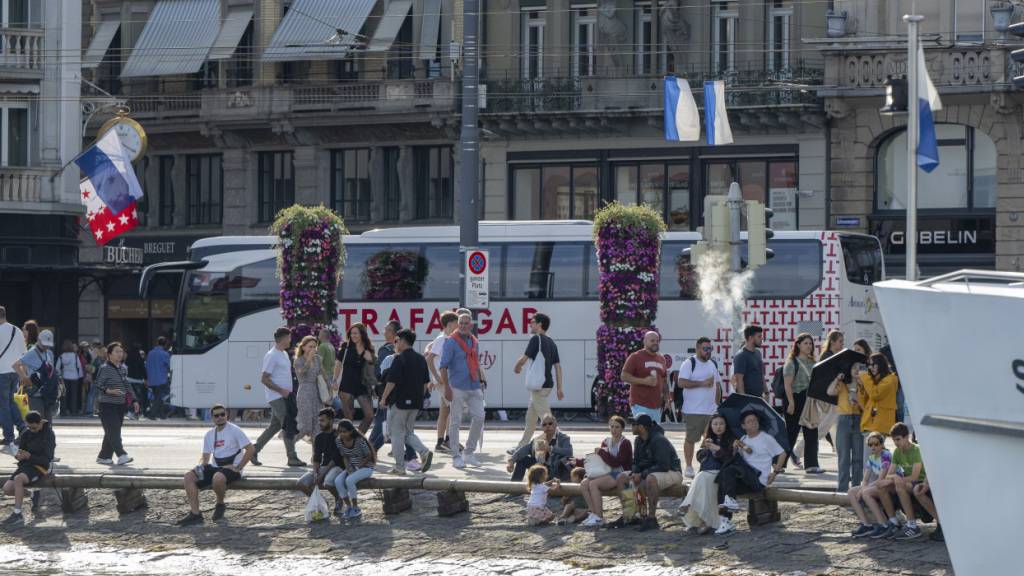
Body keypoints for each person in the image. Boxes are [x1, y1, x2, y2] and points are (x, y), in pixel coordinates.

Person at [177, 404, 254, 525]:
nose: (220, 417)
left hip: (232, 468)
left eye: (222, 414)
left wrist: (239, 467)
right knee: (188, 476)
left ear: (227, 415)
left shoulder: (235, 430)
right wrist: (200, 468)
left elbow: (251, 449)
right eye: (216, 415)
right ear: (212, 418)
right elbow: (206, 458)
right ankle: (195, 514)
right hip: (216, 467)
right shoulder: (209, 434)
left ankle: (220, 504)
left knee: (217, 477)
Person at [715, 411, 786, 535]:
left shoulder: (766, 438)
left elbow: (782, 453)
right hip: (746, 478)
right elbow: (739, 460)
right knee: (721, 481)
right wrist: (735, 448)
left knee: (729, 471)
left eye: (755, 421)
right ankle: (725, 521)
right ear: (743, 426)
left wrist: (775, 473)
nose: (753, 423)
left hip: (757, 480)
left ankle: (730, 502)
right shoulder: (743, 439)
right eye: (749, 421)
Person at [380, 329, 434, 475]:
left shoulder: (399, 358)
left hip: (399, 402)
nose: (395, 344)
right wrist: (420, 398)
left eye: (397, 341)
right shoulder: (421, 359)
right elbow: (425, 383)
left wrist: (384, 398)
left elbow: (392, 381)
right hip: (415, 403)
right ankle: (424, 452)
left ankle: (399, 467)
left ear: (403, 341)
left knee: (396, 433)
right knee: (408, 432)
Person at [251, 327, 304, 468]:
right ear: (283, 338)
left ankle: (254, 450)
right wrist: (281, 391)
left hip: (285, 396)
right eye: (289, 337)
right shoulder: (272, 355)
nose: (290, 340)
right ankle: (292, 457)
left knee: (274, 426)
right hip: (277, 397)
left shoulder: (284, 354)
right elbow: (264, 379)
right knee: (288, 425)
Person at [439, 313, 486, 469]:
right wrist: (446, 387)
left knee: (480, 417)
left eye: (466, 323)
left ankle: (469, 453)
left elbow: (476, 362)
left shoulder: (474, 341)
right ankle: (456, 456)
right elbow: (443, 367)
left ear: (471, 326)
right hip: (457, 386)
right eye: (461, 323)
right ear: (458, 324)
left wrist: (481, 379)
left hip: (473, 385)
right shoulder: (451, 342)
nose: (463, 326)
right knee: (455, 421)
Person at [512, 312, 563, 449]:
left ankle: (561, 443)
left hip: (539, 387)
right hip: (547, 385)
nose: (530, 323)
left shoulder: (536, 339)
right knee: (531, 420)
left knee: (547, 420)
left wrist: (517, 367)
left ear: (539, 324)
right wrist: (559, 388)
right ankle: (521, 447)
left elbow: (524, 358)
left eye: (533, 321)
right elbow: (558, 367)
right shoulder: (552, 342)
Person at [627, 413, 683, 532]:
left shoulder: (658, 440)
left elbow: (664, 465)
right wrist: (635, 473)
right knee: (635, 480)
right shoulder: (638, 440)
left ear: (641, 427)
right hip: (655, 472)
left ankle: (652, 519)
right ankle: (642, 516)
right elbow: (636, 462)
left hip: (673, 472)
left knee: (650, 478)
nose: (631, 427)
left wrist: (642, 474)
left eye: (634, 424)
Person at [681, 414, 735, 534]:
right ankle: (699, 518)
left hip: (722, 473)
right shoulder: (709, 439)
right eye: (715, 424)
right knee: (701, 478)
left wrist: (717, 449)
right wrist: (706, 449)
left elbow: (730, 459)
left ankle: (695, 511)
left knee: (702, 479)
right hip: (707, 472)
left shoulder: (731, 440)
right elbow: (701, 458)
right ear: (711, 426)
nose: (718, 427)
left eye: (721, 424)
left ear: (726, 425)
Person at [829, 338, 872, 492]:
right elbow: (830, 392)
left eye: (858, 367)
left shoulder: (865, 382)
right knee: (843, 458)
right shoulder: (843, 382)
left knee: (858, 458)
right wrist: (837, 379)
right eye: (853, 367)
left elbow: (869, 402)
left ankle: (855, 490)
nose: (855, 370)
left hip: (860, 419)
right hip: (844, 418)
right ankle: (841, 490)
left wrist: (862, 385)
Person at [677, 337, 722, 478]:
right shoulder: (689, 363)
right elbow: (681, 382)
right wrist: (702, 383)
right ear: (697, 349)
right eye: (705, 349)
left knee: (710, 439)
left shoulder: (712, 364)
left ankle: (707, 464)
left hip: (711, 410)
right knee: (691, 439)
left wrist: (718, 404)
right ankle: (689, 466)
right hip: (694, 410)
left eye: (710, 349)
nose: (708, 352)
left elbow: (718, 385)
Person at [1, 411, 54, 526]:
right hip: (26, 465)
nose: (31, 430)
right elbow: (21, 449)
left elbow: (47, 459)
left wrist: (29, 456)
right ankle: (32, 494)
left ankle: (17, 513)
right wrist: (18, 455)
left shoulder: (48, 434)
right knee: (7, 489)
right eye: (29, 427)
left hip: (41, 467)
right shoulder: (26, 433)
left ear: (40, 423)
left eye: (34, 427)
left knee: (18, 479)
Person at [579, 415, 633, 527]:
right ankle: (593, 513)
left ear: (622, 429)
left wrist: (602, 453)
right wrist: (578, 462)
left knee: (594, 484)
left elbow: (617, 462)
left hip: (620, 473)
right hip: (606, 472)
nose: (614, 430)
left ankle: (599, 517)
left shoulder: (625, 443)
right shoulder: (606, 441)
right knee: (584, 484)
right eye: (612, 427)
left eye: (617, 427)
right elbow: (601, 461)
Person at [782, 333, 822, 474]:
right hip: (795, 398)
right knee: (791, 433)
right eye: (805, 343)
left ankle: (811, 465)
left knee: (811, 432)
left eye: (810, 343)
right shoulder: (791, 362)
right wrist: (791, 403)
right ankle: (779, 463)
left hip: (809, 399)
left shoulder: (813, 363)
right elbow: (787, 385)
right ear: (798, 345)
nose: (809, 346)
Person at [95, 341, 138, 466]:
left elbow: (127, 385)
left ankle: (104, 457)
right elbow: (97, 384)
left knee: (112, 431)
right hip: (107, 405)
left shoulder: (122, 368)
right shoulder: (105, 368)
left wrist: (134, 400)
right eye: (116, 352)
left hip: (120, 405)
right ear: (109, 355)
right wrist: (108, 391)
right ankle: (122, 455)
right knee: (114, 431)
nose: (120, 354)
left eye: (121, 352)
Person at [296, 407, 344, 513]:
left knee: (327, 482)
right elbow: (316, 457)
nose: (320, 423)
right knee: (300, 484)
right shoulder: (319, 437)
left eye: (323, 420)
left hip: (336, 466)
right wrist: (316, 472)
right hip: (323, 467)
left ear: (331, 421)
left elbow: (336, 458)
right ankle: (322, 502)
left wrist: (321, 475)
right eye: (319, 420)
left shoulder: (338, 436)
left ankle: (339, 499)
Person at [425, 311, 459, 453]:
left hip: (446, 381)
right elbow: (429, 358)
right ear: (450, 324)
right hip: (444, 382)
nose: (458, 326)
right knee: (454, 410)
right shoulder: (442, 339)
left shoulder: (447, 338)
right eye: (456, 323)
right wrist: (437, 378)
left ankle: (441, 442)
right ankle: (448, 440)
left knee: (445, 412)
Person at [848, 431, 892, 538]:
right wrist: (862, 488)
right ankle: (866, 524)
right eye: (870, 444)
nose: (873, 447)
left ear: (882, 445)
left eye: (876, 444)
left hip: (890, 485)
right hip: (880, 485)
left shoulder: (886, 455)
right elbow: (866, 479)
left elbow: (881, 479)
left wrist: (863, 490)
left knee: (866, 493)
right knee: (851, 491)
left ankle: (884, 524)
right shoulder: (872, 458)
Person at [333, 323, 376, 435]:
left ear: (362, 334)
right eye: (351, 333)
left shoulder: (369, 349)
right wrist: (334, 380)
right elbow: (338, 364)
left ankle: (357, 438)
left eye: (356, 333)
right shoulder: (346, 347)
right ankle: (344, 443)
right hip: (346, 385)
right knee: (349, 418)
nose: (353, 336)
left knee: (369, 415)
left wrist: (370, 360)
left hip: (362, 385)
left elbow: (373, 368)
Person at [889, 422, 927, 540]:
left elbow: (915, 477)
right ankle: (890, 523)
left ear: (907, 437)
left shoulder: (916, 450)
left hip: (922, 482)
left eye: (898, 439)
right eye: (894, 440)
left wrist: (897, 478)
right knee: (884, 486)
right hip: (908, 482)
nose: (896, 443)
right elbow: (889, 474)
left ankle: (912, 526)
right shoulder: (897, 452)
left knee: (900, 486)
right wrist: (894, 477)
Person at [507, 413, 573, 481]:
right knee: (522, 460)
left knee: (565, 462)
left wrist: (550, 449)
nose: (547, 426)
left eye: (550, 423)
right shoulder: (539, 439)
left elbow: (569, 452)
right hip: (542, 467)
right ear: (542, 428)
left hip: (555, 469)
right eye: (544, 425)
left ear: (555, 425)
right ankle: (514, 486)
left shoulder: (563, 438)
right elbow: (524, 450)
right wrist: (511, 461)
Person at [12, 329, 60, 423]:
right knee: (37, 422)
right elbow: (15, 365)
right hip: (35, 394)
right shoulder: (32, 352)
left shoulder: (47, 353)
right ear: (39, 340)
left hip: (46, 393)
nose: (46, 347)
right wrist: (24, 377)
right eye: (44, 344)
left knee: (47, 422)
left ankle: (46, 437)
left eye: (48, 345)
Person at [333, 418, 376, 519]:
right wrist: (348, 468)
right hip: (351, 467)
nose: (342, 434)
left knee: (349, 480)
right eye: (340, 431)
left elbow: (369, 455)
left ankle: (356, 507)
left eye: (344, 432)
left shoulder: (359, 441)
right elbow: (344, 456)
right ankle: (348, 507)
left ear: (351, 431)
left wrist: (360, 466)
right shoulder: (338, 441)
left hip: (366, 467)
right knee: (338, 481)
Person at [620, 331, 668, 421]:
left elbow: (664, 380)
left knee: (655, 434)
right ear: (645, 341)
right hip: (640, 404)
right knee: (644, 433)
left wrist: (666, 398)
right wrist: (644, 381)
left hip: (657, 406)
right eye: (652, 341)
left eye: (657, 341)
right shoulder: (635, 357)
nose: (655, 343)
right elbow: (624, 376)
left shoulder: (661, 359)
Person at [369, 320, 401, 452]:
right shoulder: (401, 348)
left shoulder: (385, 349)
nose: (384, 332)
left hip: (386, 391)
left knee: (381, 420)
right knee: (395, 422)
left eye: (387, 330)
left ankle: (370, 448)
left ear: (393, 334)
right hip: (398, 391)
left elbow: (381, 373)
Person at [0, 306, 28, 450]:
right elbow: (24, 352)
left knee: (3, 405)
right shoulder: (16, 330)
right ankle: (22, 427)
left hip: (1, 372)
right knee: (10, 402)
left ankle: (9, 436)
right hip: (14, 371)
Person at [859, 353, 898, 450]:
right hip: (870, 424)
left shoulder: (890, 379)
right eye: (869, 365)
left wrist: (865, 378)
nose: (870, 367)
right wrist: (861, 386)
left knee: (871, 461)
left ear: (881, 364)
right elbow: (864, 402)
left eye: (873, 364)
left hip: (878, 425)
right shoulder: (874, 381)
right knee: (872, 460)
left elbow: (875, 394)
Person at [294, 335, 329, 441]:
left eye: (315, 347)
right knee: (305, 427)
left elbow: (323, 374)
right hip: (305, 392)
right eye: (310, 347)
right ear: (303, 347)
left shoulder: (318, 359)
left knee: (317, 427)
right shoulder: (298, 361)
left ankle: (315, 456)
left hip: (317, 393)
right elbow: (302, 373)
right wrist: (309, 359)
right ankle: (290, 444)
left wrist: (330, 386)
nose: (313, 349)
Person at [731, 325, 766, 399]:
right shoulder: (741, 356)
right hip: (749, 400)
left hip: (759, 398)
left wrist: (766, 392)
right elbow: (739, 381)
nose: (762, 339)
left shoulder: (758, 353)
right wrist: (745, 401)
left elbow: (760, 374)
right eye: (759, 336)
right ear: (750, 338)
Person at [145, 337, 172, 420]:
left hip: (151, 379)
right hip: (161, 379)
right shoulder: (165, 354)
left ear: (157, 343)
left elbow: (147, 365)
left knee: (158, 396)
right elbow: (169, 366)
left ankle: (162, 414)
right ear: (165, 344)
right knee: (158, 397)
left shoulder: (150, 353)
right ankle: (152, 414)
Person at [57, 340, 84, 417]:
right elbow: (79, 367)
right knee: (74, 395)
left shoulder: (61, 356)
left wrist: (59, 376)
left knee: (63, 395)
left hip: (64, 377)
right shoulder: (75, 356)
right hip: (74, 377)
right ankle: (74, 412)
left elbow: (57, 368)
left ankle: (63, 412)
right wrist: (80, 377)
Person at [125, 343, 147, 419]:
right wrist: (146, 378)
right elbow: (143, 369)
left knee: (131, 397)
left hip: (130, 380)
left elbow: (125, 367)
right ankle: (137, 413)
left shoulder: (128, 358)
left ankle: (130, 412)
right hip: (138, 381)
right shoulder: (140, 359)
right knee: (138, 398)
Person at [85, 341, 106, 417]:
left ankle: (89, 411)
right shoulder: (104, 361)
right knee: (100, 395)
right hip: (102, 380)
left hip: (96, 380)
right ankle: (100, 411)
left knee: (91, 395)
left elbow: (93, 370)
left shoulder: (97, 360)